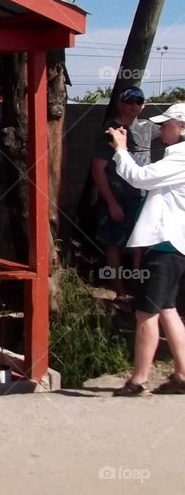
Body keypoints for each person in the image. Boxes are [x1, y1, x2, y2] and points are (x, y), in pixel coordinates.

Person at [107, 103, 185, 396]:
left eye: (167, 124)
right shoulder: (176, 157)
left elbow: (139, 178)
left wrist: (120, 149)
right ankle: (181, 374)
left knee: (145, 313)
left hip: (165, 245)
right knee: (168, 309)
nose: (162, 129)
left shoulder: (179, 159)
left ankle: (138, 380)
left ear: (182, 128)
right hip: (174, 245)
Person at [91, 87, 153, 303]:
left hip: (142, 197)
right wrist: (111, 203)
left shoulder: (147, 128)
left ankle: (136, 288)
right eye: (130, 101)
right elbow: (98, 169)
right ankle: (119, 291)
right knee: (114, 243)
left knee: (140, 243)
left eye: (139, 102)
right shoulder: (110, 131)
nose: (134, 106)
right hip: (118, 198)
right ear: (121, 103)